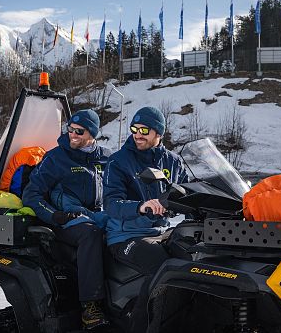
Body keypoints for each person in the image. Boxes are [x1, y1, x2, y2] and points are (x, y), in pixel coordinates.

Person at [23, 109, 111, 330]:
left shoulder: (106, 157)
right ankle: (90, 306)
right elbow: (31, 195)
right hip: (65, 220)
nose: (72, 134)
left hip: (97, 215)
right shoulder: (56, 158)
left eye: (79, 131)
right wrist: (54, 216)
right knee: (91, 234)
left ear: (92, 133)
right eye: (70, 129)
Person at [103, 106, 188, 333]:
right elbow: (110, 204)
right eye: (134, 128)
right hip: (125, 235)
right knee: (162, 267)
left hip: (161, 231)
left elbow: (188, 193)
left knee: (194, 259)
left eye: (144, 130)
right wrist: (141, 207)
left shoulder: (173, 162)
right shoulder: (118, 161)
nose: (137, 134)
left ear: (159, 134)